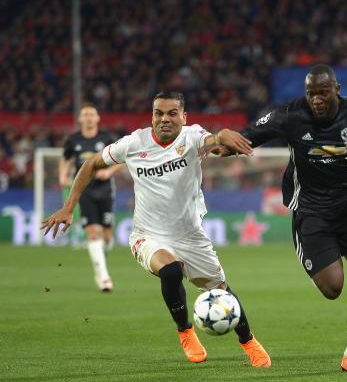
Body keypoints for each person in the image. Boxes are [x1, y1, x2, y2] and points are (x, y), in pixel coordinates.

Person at [43, 92, 271, 366]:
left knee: (222, 291)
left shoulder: (192, 136)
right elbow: (91, 163)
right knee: (171, 271)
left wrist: (221, 135)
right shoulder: (133, 143)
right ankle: (185, 331)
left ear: (183, 117)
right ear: (152, 116)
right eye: (158, 113)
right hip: (147, 236)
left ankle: (248, 341)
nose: (164, 119)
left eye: (172, 113)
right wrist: (69, 206)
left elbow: (212, 140)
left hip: (190, 236)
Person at [202, 64, 347, 374]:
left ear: (336, 90)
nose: (316, 99)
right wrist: (224, 145)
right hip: (313, 211)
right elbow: (250, 136)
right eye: (311, 93)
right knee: (332, 288)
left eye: (323, 93)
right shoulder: (291, 114)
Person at [59, 102, 120, 291]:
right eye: (85, 115)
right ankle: (103, 278)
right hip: (85, 191)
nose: (88, 118)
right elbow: (65, 159)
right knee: (93, 232)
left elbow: (122, 158)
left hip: (105, 190)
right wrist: (63, 175)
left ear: (98, 118)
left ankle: (100, 260)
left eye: (91, 114)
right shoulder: (73, 140)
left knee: (107, 237)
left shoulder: (106, 138)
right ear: (80, 119)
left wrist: (109, 172)